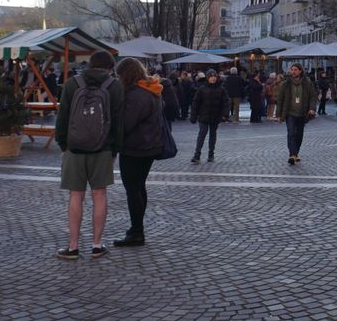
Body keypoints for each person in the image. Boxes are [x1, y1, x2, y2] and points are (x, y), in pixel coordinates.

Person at [55, 50, 124, 260]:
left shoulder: (72, 84)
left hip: (74, 148)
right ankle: (96, 245)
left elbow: (62, 118)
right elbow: (118, 122)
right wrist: (115, 149)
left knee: (76, 195)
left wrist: (63, 144)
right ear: (110, 67)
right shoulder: (115, 86)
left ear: (90, 64)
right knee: (99, 195)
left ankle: (73, 246)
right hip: (102, 148)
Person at [114, 58, 179, 248]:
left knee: (133, 190)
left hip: (136, 148)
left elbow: (126, 124)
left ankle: (136, 232)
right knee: (139, 188)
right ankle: (136, 229)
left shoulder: (137, 95)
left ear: (126, 75)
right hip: (149, 146)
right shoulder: (152, 89)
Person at [275, 63, 318, 164]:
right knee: (291, 133)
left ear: (300, 71)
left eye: (295, 70)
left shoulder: (307, 83)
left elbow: (313, 97)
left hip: (302, 113)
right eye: (292, 70)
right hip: (290, 113)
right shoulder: (286, 84)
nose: (293, 72)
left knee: (299, 135)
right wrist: (279, 115)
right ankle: (292, 155)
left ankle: (296, 153)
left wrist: (312, 109)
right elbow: (280, 99)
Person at [190, 71, 229, 163]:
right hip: (204, 116)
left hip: (215, 116)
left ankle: (211, 155)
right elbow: (196, 103)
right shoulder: (202, 89)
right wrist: (193, 116)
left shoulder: (221, 89)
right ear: (207, 78)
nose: (213, 78)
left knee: (212, 135)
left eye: (214, 76)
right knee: (202, 134)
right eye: (211, 76)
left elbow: (226, 102)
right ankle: (197, 155)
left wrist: (225, 114)